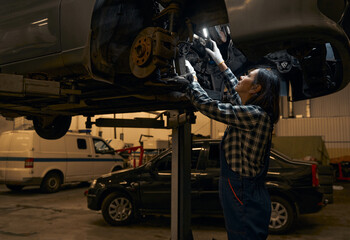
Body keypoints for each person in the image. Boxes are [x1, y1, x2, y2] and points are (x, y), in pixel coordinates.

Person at [185, 39, 280, 240]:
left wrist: (192, 80)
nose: (241, 76)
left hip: (243, 192)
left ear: (256, 89)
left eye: (248, 76)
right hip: (244, 190)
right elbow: (237, 97)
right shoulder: (253, 113)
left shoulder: (255, 115)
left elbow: (209, 106)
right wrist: (220, 62)